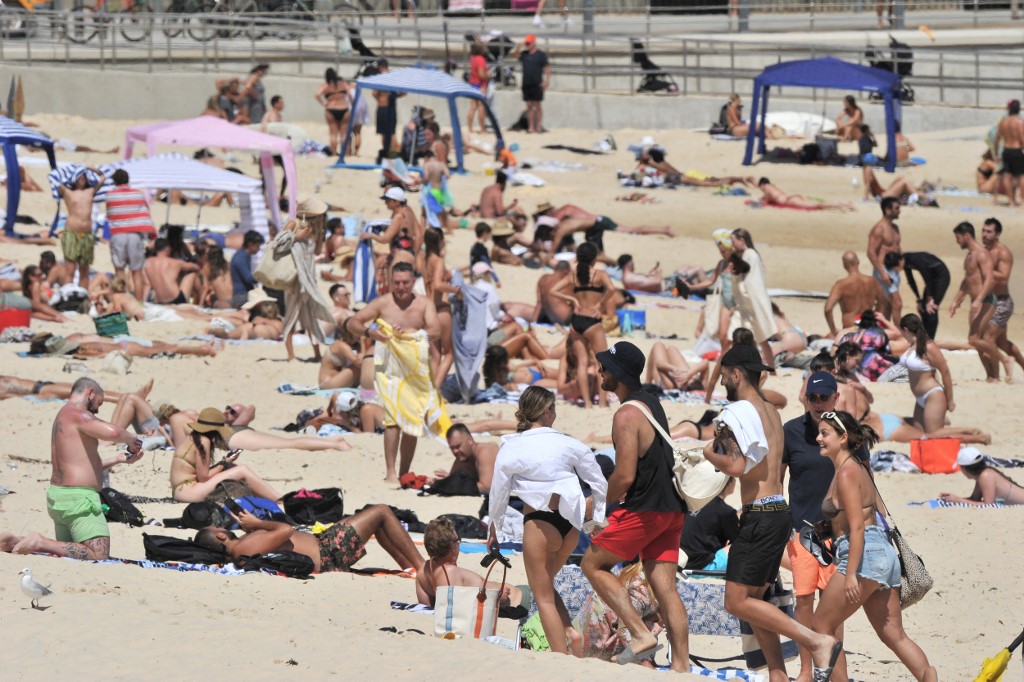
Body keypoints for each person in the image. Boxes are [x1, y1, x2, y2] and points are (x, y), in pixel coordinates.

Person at [702, 345, 843, 682]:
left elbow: (737, 467)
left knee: (736, 601)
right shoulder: (770, 410)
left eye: (723, 376)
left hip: (761, 513)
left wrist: (708, 453)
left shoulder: (737, 412)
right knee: (756, 599)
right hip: (779, 510)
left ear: (736, 374)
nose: (722, 381)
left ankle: (815, 641)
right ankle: (778, 676)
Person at [580, 341, 689, 670]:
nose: (600, 371)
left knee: (592, 564)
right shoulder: (651, 403)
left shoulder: (626, 413)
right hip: (672, 509)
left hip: (646, 510)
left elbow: (625, 476)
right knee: (666, 589)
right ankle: (682, 668)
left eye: (605, 367)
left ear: (619, 374)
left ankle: (641, 634)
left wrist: (597, 502)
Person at [811, 411, 937, 682]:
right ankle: (929, 677)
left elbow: (857, 527)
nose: (818, 438)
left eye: (825, 433)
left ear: (843, 438)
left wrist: (852, 573)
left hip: (863, 555)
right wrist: (829, 526)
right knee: (893, 634)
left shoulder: (845, 473)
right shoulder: (855, 468)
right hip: (882, 554)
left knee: (821, 626)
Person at [488, 386, 607, 656]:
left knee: (541, 597)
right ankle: (567, 630)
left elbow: (498, 492)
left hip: (540, 524)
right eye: (554, 408)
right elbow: (599, 482)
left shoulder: (512, 444)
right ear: (546, 411)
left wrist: (493, 528)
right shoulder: (568, 442)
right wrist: (597, 521)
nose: (556, 413)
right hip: (571, 529)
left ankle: (561, 653)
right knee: (546, 587)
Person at [1, 378, 144, 560]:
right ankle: (40, 542)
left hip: (59, 497)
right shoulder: (78, 414)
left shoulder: (64, 416)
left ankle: (16, 542)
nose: (97, 410)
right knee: (99, 554)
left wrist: (117, 459)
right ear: (90, 393)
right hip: (79, 500)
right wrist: (132, 439)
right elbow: (114, 433)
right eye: (99, 403)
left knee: (74, 552)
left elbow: (79, 466)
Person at [346, 262, 446, 484]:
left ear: (413, 283)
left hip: (416, 369)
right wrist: (371, 333)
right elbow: (353, 322)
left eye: (405, 283)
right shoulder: (383, 303)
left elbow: (436, 331)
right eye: (397, 282)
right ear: (391, 282)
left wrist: (413, 334)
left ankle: (404, 471)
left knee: (412, 420)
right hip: (390, 368)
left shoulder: (423, 304)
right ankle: (390, 471)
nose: (401, 287)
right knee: (392, 420)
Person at [781, 371, 848, 682]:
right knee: (804, 601)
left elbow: (865, 482)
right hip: (803, 531)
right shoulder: (791, 432)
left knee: (833, 607)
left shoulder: (848, 432)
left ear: (835, 397)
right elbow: (777, 479)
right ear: (805, 399)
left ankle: (833, 672)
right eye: (813, 397)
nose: (819, 403)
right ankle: (807, 670)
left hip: (839, 533)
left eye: (825, 397)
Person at [196, 505, 424, 574]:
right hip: (327, 550)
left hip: (326, 546)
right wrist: (256, 524)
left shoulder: (244, 546)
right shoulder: (243, 547)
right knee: (381, 512)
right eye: (217, 527)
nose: (221, 525)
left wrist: (254, 528)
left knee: (379, 523)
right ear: (220, 535)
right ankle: (423, 567)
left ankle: (411, 566)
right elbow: (285, 530)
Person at [169, 407, 282, 502]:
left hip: (181, 491)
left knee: (231, 468)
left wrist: (225, 463)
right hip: (188, 492)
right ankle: (279, 499)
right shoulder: (204, 441)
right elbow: (203, 477)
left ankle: (267, 499)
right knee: (242, 470)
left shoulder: (193, 437)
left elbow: (199, 474)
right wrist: (224, 462)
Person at [551, 242, 613, 409]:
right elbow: (612, 289)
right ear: (594, 259)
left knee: (582, 363)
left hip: (577, 321)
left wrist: (572, 299)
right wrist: (600, 304)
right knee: (603, 363)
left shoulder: (573, 275)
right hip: (592, 321)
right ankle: (601, 402)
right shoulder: (599, 274)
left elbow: (553, 290)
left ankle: (586, 403)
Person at [416, 517, 525, 607]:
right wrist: (496, 598)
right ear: (453, 547)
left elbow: (425, 609)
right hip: (520, 600)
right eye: (458, 540)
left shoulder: (422, 572)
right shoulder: (450, 572)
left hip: (517, 596)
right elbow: (458, 608)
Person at [274, 198, 334, 362]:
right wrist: (297, 236)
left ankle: (316, 354)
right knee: (292, 315)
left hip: (309, 277)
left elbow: (316, 252)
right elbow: (277, 244)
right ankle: (290, 355)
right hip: (295, 277)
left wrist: (320, 234)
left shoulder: (315, 229)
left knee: (311, 315)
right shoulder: (293, 224)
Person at [949, 221, 1002, 381]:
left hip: (986, 300)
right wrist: (956, 301)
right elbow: (967, 282)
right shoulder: (969, 256)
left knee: (975, 339)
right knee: (978, 342)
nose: (957, 241)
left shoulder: (981, 253)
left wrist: (979, 300)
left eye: (958, 237)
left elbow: (990, 279)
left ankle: (1003, 363)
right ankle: (991, 376)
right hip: (976, 301)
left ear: (966, 236)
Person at [898, 313, 958, 435]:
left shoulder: (929, 346)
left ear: (906, 330)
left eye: (902, 332)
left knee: (934, 435)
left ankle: (972, 433)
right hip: (920, 398)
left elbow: (945, 372)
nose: (902, 335)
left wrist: (950, 399)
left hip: (933, 395)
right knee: (920, 437)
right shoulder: (912, 347)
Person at [981, 217, 1024, 378]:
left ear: (997, 234)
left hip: (1002, 302)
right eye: (983, 231)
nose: (985, 235)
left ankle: (996, 376)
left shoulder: (1003, 252)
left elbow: (1004, 277)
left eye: (989, 232)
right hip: (988, 302)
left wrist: (986, 269)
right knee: (1002, 343)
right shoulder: (983, 251)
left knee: (988, 339)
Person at [105, 169, 156, 299]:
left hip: (118, 235)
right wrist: (152, 235)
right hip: (135, 236)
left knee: (119, 271)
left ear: (115, 181)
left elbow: (110, 215)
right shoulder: (138, 194)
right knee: (136, 272)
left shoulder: (110, 195)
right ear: (128, 180)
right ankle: (138, 303)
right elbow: (145, 214)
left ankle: (122, 301)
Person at [731, 228, 777, 366]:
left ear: (741, 240)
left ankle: (771, 367)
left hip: (751, 303)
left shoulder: (750, 255)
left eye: (733, 241)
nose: (732, 245)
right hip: (747, 303)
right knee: (758, 339)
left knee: (760, 339)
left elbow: (751, 280)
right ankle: (769, 367)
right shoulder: (747, 255)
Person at [58, 166, 106, 289]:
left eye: (84, 176)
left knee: (85, 270)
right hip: (71, 233)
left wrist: (90, 168)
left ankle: (82, 296)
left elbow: (103, 177)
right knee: (70, 268)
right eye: (80, 176)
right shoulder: (68, 193)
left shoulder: (90, 192)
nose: (82, 179)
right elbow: (56, 177)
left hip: (87, 235)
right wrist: (73, 169)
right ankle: (68, 294)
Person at [424, 228, 459, 389]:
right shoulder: (438, 260)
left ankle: (429, 389)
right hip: (441, 309)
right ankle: (436, 390)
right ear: (440, 241)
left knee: (435, 355)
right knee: (450, 353)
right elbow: (438, 284)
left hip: (428, 310)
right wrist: (457, 290)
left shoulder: (424, 259)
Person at [824, 251, 890, 337]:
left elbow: (828, 309)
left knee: (828, 337)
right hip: (869, 326)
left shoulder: (841, 285)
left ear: (844, 265)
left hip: (850, 327)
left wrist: (833, 330)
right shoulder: (872, 281)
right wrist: (876, 318)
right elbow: (883, 301)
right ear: (858, 262)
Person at [680, 478, 738, 572]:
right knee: (743, 544)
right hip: (701, 566)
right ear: (728, 484)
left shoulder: (695, 502)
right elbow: (738, 540)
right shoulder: (726, 511)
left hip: (680, 561)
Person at [940, 447, 1024, 506]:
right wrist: (952, 499)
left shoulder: (986, 476)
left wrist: (958, 500)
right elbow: (975, 499)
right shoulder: (982, 475)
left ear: (965, 468)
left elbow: (988, 505)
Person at [897, 251, 951, 341]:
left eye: (897, 267)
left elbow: (926, 276)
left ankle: (930, 339)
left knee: (931, 308)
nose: (898, 270)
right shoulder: (905, 263)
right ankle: (923, 336)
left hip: (941, 276)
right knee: (922, 308)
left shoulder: (914, 259)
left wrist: (930, 297)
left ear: (900, 261)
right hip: (932, 279)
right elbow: (911, 281)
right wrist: (919, 299)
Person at [433, 423, 498, 493]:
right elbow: (454, 480)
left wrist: (453, 485)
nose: (455, 451)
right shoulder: (463, 456)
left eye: (458, 446)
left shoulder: (484, 453)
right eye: (452, 448)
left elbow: (487, 487)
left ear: (470, 440)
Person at [867, 197, 903, 322]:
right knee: (897, 303)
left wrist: (902, 261)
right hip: (883, 271)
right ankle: (901, 334)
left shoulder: (895, 228)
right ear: (887, 210)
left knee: (885, 305)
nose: (900, 211)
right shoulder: (879, 229)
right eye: (897, 208)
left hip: (894, 272)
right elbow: (871, 252)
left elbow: (897, 247)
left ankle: (881, 333)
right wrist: (882, 272)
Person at [145, 237, 201, 305]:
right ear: (168, 249)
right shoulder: (175, 263)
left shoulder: (147, 262)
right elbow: (196, 267)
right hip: (177, 300)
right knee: (192, 274)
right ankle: (200, 302)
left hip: (161, 301)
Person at [515, 35, 550, 135]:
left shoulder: (540, 55)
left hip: (537, 83)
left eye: (528, 43)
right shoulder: (524, 54)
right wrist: (519, 47)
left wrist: (546, 81)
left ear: (534, 43)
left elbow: (547, 67)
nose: (527, 45)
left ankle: (538, 126)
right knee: (529, 106)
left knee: (538, 105)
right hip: (526, 83)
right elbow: (516, 56)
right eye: (526, 43)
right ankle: (531, 127)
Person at [756, 178, 853, 211]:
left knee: (817, 205)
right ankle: (843, 203)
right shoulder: (773, 186)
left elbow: (767, 201)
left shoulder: (766, 189)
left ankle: (842, 204)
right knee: (816, 203)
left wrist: (761, 200)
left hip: (790, 201)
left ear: (762, 184)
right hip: (793, 196)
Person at [994, 99, 1024, 207]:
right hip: (1017, 150)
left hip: (1006, 151)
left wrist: (996, 153)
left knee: (1007, 175)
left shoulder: (1003, 122)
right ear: (1019, 109)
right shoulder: (1020, 122)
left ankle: (1011, 201)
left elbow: (997, 139)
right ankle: (1022, 201)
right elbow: (1022, 139)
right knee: (1021, 176)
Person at [316, 68, 350, 156]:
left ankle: (334, 153)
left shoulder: (326, 85)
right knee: (344, 134)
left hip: (331, 108)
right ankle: (345, 153)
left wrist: (323, 103)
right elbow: (350, 94)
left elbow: (317, 94)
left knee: (333, 134)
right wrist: (351, 103)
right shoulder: (342, 83)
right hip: (344, 108)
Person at [230, 230, 265, 308]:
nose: (258, 249)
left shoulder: (244, 256)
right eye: (257, 246)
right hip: (241, 297)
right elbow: (248, 279)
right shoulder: (241, 258)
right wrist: (263, 276)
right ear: (250, 244)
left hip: (244, 294)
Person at [466, 43, 491, 134]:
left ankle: (470, 128)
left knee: (473, 107)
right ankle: (482, 128)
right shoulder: (481, 59)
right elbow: (481, 74)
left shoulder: (473, 59)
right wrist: (488, 76)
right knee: (481, 107)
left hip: (473, 84)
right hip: (480, 85)